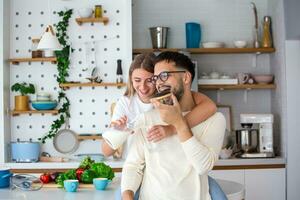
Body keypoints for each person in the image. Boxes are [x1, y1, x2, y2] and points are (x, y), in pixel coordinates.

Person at [121, 51, 226, 200]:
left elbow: (203, 166)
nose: (159, 83)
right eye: (156, 78)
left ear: (186, 77)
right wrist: (127, 194)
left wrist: (178, 123)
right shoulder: (149, 118)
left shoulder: (214, 119)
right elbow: (133, 165)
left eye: (164, 76)